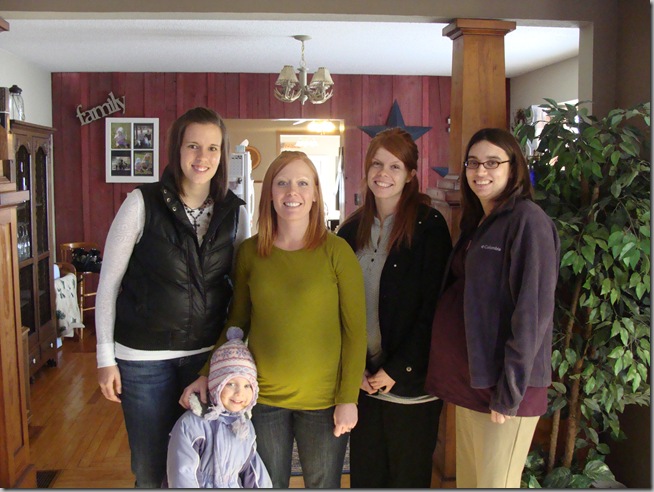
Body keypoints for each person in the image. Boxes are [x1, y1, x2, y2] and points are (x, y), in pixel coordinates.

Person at [180, 150, 367, 488]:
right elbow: (237, 324)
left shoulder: (337, 251)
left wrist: (348, 398)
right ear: (269, 193)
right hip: (262, 399)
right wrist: (207, 373)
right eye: (282, 183)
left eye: (302, 183)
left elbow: (355, 333)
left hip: (324, 402)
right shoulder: (251, 252)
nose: (292, 192)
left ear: (315, 194)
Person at [96, 107, 250, 488]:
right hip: (143, 361)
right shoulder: (140, 203)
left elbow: (242, 288)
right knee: (150, 470)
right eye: (193, 146)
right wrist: (104, 358)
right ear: (177, 149)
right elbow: (108, 284)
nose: (202, 157)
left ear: (222, 154)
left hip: (204, 360)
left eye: (212, 148)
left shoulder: (235, 212)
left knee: (203, 467)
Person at [425, 128, 560, 488]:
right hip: (472, 383)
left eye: (492, 163)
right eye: (473, 163)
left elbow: (532, 314)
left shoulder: (528, 221)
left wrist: (509, 393)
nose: (480, 171)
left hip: (504, 389)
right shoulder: (480, 221)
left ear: (514, 168)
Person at [337, 127, 452, 488]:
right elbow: (339, 309)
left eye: (394, 166)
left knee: (407, 479)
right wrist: (354, 368)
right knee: (367, 478)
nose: (383, 174)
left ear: (410, 175)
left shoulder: (428, 226)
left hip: (411, 385)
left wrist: (398, 368)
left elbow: (434, 308)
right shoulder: (350, 230)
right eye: (376, 164)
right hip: (364, 384)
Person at [167, 327, 272, 488]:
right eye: (230, 384)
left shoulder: (244, 427)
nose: (239, 393)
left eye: (247, 386)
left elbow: (253, 469)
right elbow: (182, 473)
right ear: (216, 386)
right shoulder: (191, 425)